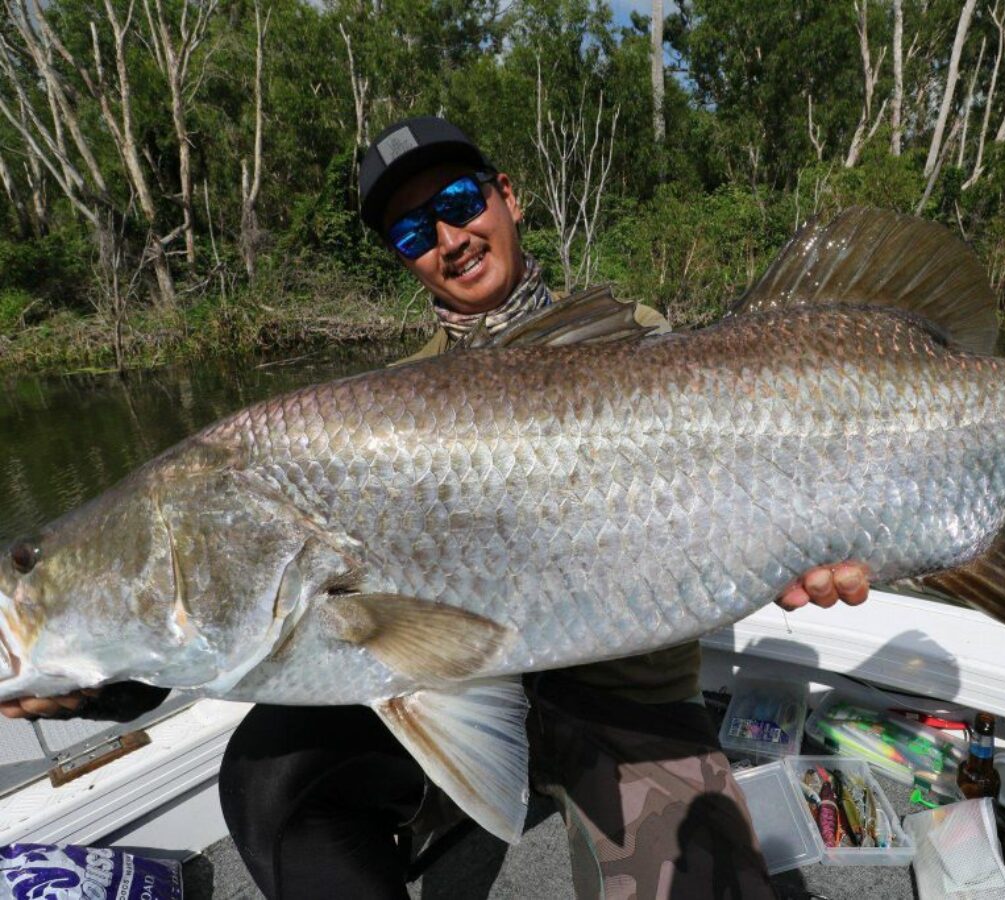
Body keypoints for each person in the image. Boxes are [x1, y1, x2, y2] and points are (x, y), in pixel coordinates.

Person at [1, 116, 871, 899]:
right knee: (266, 784)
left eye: (459, 202)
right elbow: (210, 627)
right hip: (445, 691)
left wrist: (826, 535)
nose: (450, 237)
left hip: (623, 698)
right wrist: (92, 681)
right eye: (415, 230)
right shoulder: (382, 406)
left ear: (509, 197)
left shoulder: (640, 343)